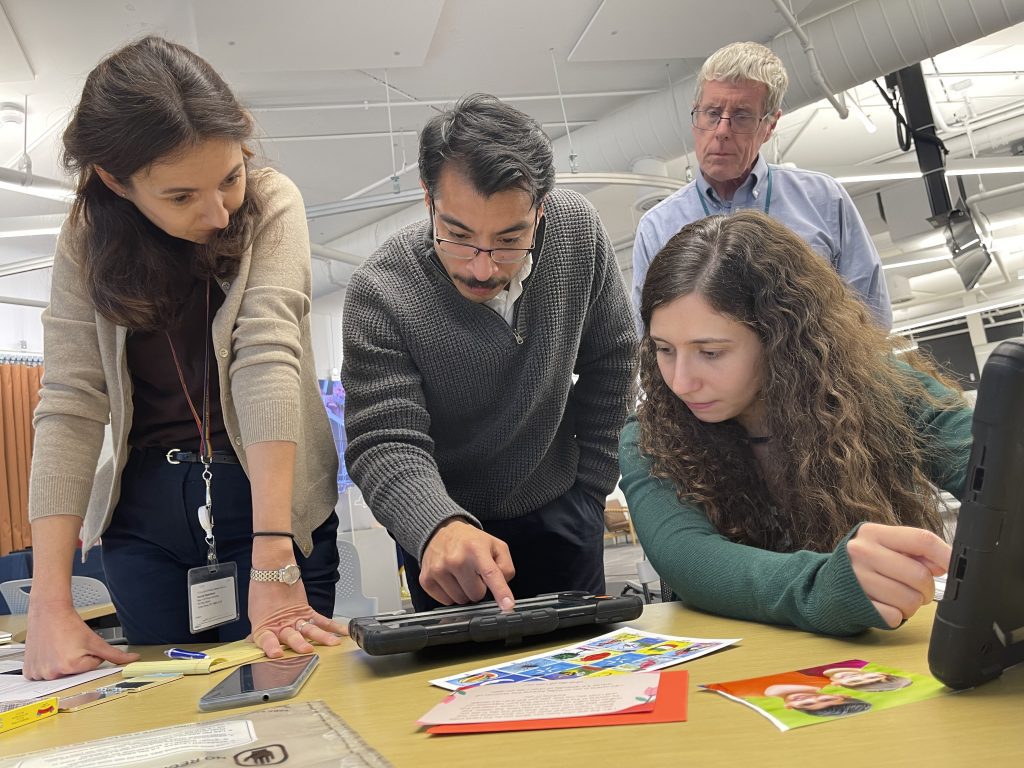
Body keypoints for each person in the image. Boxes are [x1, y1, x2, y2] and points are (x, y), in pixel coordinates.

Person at [24, 37, 344, 680]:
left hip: (270, 504)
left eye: (230, 177)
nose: (219, 211)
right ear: (117, 182)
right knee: (165, 707)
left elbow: (266, 354)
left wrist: (274, 555)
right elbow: (70, 403)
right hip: (144, 512)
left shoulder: (271, 200)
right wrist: (49, 604)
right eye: (180, 196)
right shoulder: (86, 238)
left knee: (287, 698)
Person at [343, 94, 637, 612]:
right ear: (427, 198)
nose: (483, 268)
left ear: (541, 208)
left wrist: (591, 492)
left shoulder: (577, 235)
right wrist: (436, 525)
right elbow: (385, 439)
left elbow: (613, 360)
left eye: (509, 238)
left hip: (563, 513)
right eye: (457, 235)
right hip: (446, 543)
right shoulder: (380, 291)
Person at [620, 210, 973, 637]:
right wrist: (820, 585)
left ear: (779, 337)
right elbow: (687, 556)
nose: (680, 381)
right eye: (664, 349)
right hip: (736, 660)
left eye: (710, 352)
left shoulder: (883, 388)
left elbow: (985, 460)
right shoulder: (650, 436)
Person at [631, 41, 891, 330]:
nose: (722, 132)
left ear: (770, 125)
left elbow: (872, 319)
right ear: (695, 115)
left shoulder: (823, 200)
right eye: (712, 113)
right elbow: (648, 338)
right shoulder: (659, 226)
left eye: (741, 117)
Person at [763, 684, 872, 718]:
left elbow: (774, 690)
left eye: (808, 704)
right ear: (841, 695)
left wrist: (813, 690)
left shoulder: (775, 694)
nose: (811, 698)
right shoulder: (820, 684)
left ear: (789, 706)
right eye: (826, 699)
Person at [823, 667, 913, 692]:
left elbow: (828, 672)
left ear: (837, 684)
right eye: (872, 676)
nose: (857, 676)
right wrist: (862, 673)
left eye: (855, 681)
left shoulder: (833, 676)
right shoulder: (858, 668)